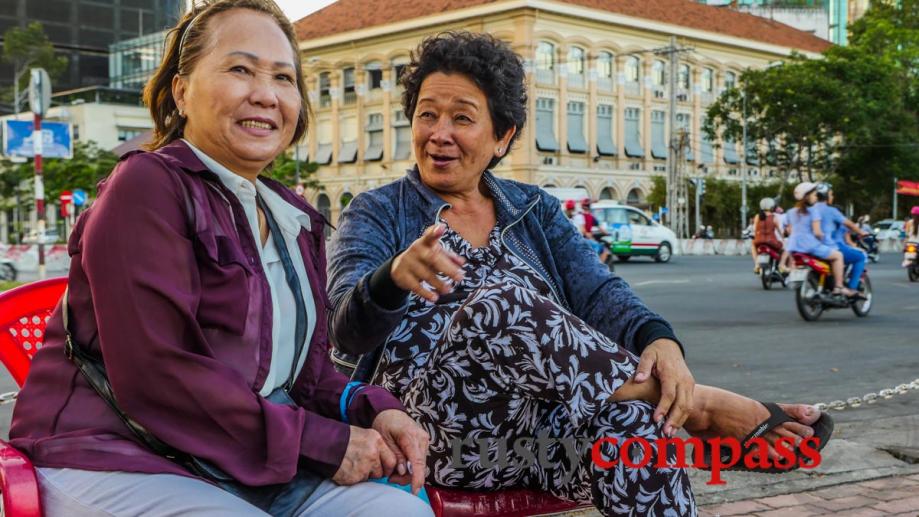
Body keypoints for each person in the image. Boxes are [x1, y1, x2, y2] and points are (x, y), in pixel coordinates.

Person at [326, 32, 831, 516]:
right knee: (497, 303)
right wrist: (391, 279)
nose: (439, 134)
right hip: (427, 437)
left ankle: (681, 407)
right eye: (426, 115)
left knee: (634, 426)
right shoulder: (377, 212)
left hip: (534, 443)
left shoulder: (533, 210)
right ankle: (701, 410)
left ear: (502, 138)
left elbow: (600, 294)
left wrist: (661, 341)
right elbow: (343, 330)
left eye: (462, 118)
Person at [8, 2, 432, 516]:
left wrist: (374, 409)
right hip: (118, 455)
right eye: (239, 69)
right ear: (181, 91)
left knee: (399, 511)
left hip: (249, 457)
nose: (266, 94)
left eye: (283, 77)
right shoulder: (145, 187)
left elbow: (307, 375)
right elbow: (156, 375)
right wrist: (321, 444)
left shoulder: (291, 216)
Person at [785, 182, 854, 296]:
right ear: (807, 196)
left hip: (794, 247)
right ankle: (838, 286)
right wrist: (821, 237)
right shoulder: (813, 211)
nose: (816, 197)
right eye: (814, 195)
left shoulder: (790, 212)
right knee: (838, 256)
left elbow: (789, 231)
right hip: (810, 246)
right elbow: (817, 232)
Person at [813, 183, 869, 293]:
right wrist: (861, 232)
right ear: (826, 196)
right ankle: (852, 288)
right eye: (831, 194)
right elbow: (850, 225)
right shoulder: (832, 211)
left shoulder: (807, 210)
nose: (832, 197)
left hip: (809, 247)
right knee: (860, 257)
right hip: (829, 246)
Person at [572, 198, 610, 264]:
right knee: (604, 251)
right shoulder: (591, 217)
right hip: (586, 239)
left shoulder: (577, 215)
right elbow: (599, 228)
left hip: (577, 240)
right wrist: (608, 234)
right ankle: (599, 268)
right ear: (589, 206)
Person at [751, 197, 783, 274]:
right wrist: (783, 238)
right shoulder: (774, 217)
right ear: (772, 207)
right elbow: (780, 231)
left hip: (758, 241)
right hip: (771, 241)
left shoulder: (757, 216)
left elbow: (754, 229)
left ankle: (756, 264)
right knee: (783, 250)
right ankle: (781, 266)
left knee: (752, 245)